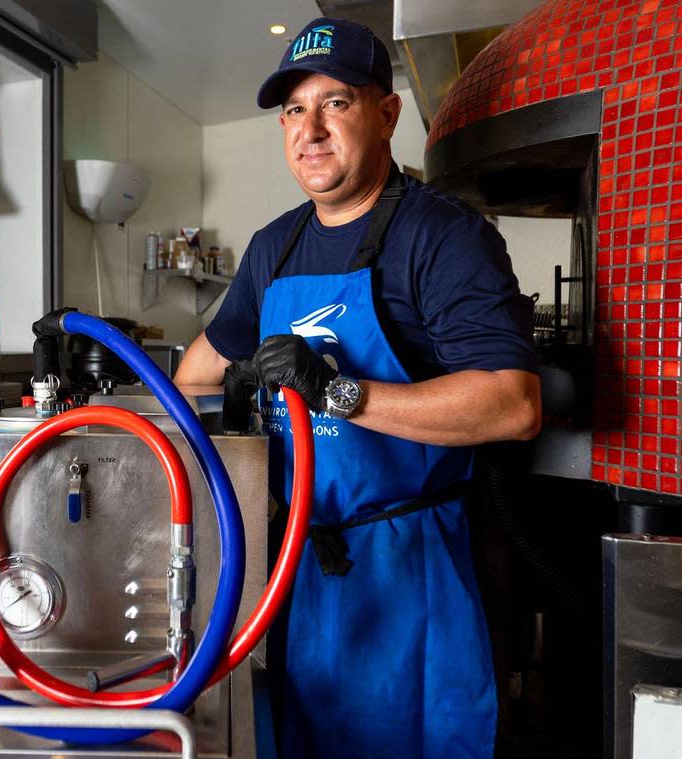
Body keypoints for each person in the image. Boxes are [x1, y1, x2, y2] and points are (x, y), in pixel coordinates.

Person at [172, 17, 542, 759]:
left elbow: (514, 403)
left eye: (335, 103)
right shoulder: (273, 247)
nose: (309, 128)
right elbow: (191, 373)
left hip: (413, 568)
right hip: (302, 569)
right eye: (292, 110)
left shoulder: (442, 236)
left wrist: (342, 393)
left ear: (387, 113)